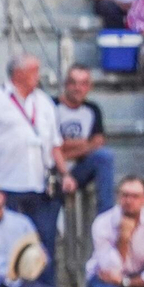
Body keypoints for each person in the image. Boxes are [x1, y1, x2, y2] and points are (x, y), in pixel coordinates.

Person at [0, 54, 68, 287]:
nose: (39, 76)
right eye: (34, 71)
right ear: (19, 74)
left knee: (44, 243)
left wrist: (66, 173)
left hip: (40, 184)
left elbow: (55, 144)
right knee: (12, 242)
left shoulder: (44, 102)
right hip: (8, 183)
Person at [55, 65, 115, 201]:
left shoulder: (92, 109)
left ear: (89, 87)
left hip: (79, 169)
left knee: (105, 156)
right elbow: (50, 146)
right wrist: (84, 144)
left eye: (83, 84)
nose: (78, 88)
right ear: (65, 84)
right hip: (51, 170)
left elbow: (98, 144)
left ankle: (105, 216)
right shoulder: (51, 106)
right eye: (73, 83)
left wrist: (63, 150)